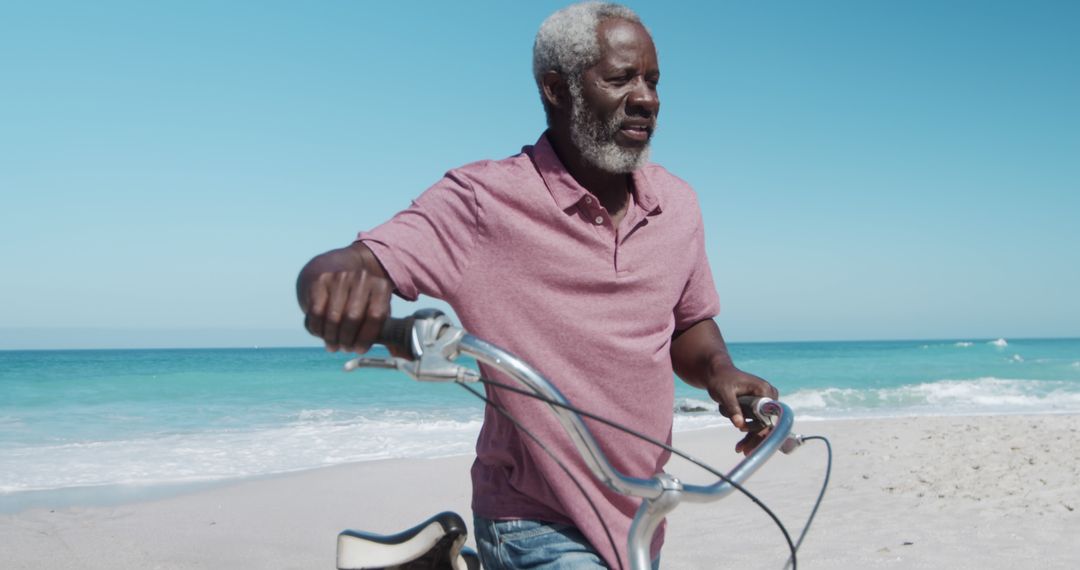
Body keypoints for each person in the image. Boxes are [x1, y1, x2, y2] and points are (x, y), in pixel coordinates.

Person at [296, 2, 778, 568]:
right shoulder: (483, 202)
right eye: (621, 78)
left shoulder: (678, 205)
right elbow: (351, 263)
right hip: (531, 519)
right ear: (557, 89)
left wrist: (721, 371)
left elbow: (687, 321)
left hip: (639, 514)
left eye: (652, 80)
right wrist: (331, 285)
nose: (647, 98)